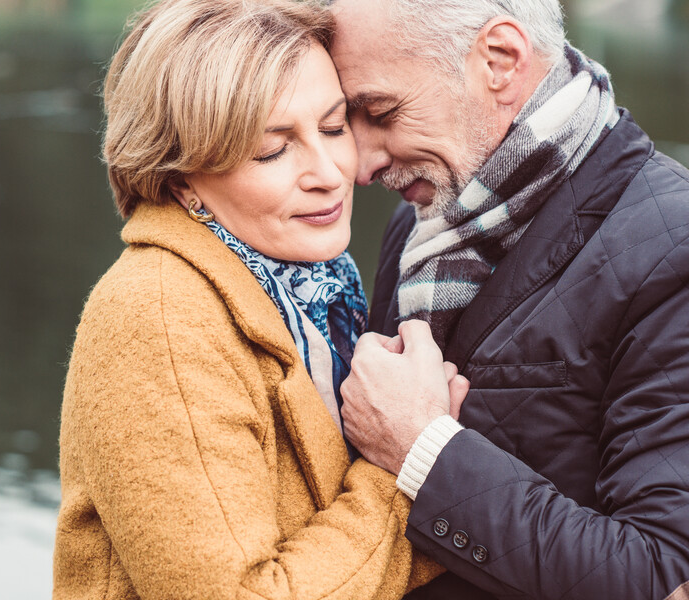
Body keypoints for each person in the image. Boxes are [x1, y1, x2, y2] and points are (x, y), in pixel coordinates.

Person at [52, 1, 453, 598]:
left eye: (334, 127)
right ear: (181, 179)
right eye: (272, 150)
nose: (329, 173)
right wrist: (408, 462)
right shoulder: (158, 320)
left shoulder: (317, 287)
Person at [328, 0, 689, 598]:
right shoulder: (422, 223)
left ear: (499, 60)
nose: (361, 166)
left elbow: (660, 573)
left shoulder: (674, 247)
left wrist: (424, 450)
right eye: (347, 120)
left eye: (382, 113)